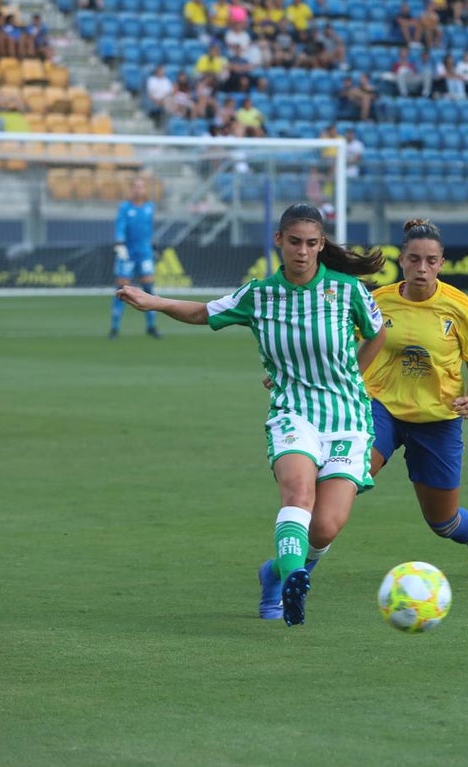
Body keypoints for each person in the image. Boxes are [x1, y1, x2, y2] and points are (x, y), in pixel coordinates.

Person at [116, 202, 387, 626]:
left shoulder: (348, 291)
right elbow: (203, 313)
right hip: (293, 413)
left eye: (311, 243)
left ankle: (275, 573)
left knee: (326, 528)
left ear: (321, 245)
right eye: (294, 242)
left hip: (348, 418)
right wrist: (154, 301)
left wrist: (353, 373)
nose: (302, 251)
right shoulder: (259, 296)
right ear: (278, 241)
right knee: (298, 493)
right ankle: (295, 575)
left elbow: (377, 334)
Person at [361, 220, 468, 579]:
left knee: (444, 523)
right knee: (352, 476)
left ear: (442, 263)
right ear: (401, 260)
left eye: (431, 261)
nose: (422, 268)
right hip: (381, 407)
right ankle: (296, 571)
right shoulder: (377, 301)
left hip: (438, 419)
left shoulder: (461, 307)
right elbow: (340, 342)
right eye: (414, 259)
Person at [110, 177, 161, 339]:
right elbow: (120, 227)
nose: (139, 190)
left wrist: (152, 246)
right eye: (136, 187)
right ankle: (114, 327)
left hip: (144, 254)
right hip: (128, 255)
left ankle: (151, 326)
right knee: (122, 290)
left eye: (142, 187)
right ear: (131, 189)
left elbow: (148, 229)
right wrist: (119, 244)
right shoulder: (125, 208)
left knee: (149, 290)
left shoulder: (149, 208)